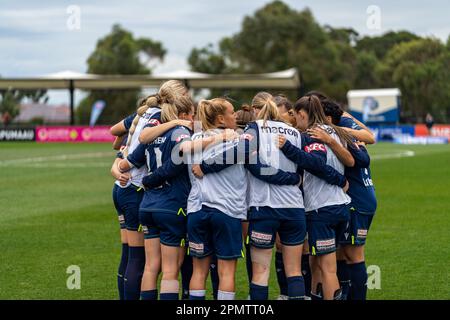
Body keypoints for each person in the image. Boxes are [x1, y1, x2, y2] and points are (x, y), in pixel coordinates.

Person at [195, 92, 347, 300]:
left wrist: (205, 166)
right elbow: (315, 163)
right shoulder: (295, 132)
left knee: (260, 273)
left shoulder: (255, 128)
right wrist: (293, 179)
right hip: (294, 209)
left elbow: (252, 162)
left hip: (264, 209)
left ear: (259, 111)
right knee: (293, 271)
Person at [277, 95, 353, 300]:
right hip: (339, 206)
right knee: (319, 264)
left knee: (328, 269)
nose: (295, 121)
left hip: (323, 207)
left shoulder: (312, 134)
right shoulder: (335, 132)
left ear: (303, 114)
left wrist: (288, 148)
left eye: (296, 116)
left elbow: (316, 164)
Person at [119, 94, 195, 300]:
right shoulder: (180, 131)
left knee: (151, 267)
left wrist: (119, 166)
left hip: (148, 205)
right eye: (192, 114)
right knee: (170, 270)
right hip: (171, 205)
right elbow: (179, 160)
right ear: (183, 114)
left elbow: (128, 161)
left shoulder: (151, 135)